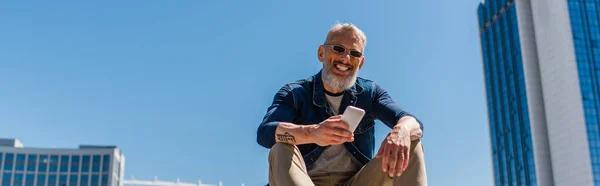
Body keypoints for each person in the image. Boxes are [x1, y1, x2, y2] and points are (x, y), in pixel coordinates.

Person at [256, 22, 427, 186]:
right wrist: (312, 133)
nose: (346, 58)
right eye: (338, 49)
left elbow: (412, 122)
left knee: (411, 142)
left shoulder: (370, 93)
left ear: (360, 62)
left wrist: (402, 130)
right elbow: (265, 133)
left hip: (358, 181)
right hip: (306, 180)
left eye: (355, 54)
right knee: (280, 148)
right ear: (321, 53)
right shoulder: (295, 93)